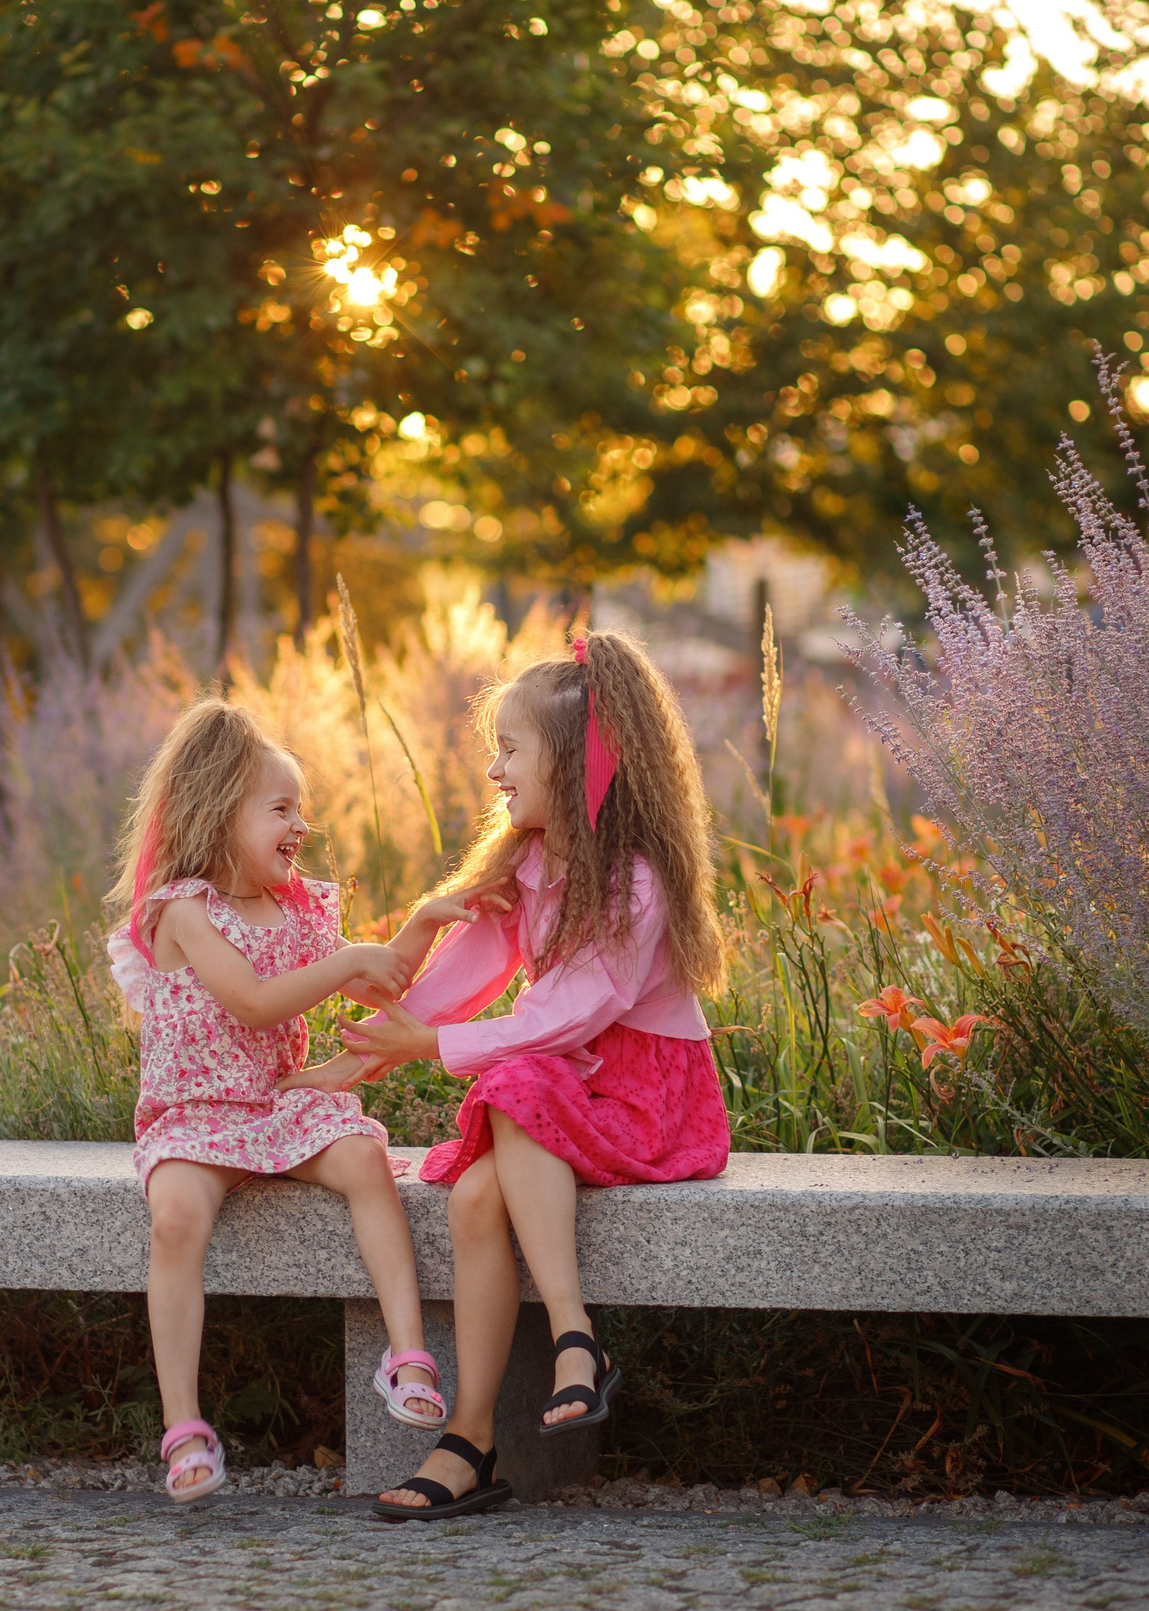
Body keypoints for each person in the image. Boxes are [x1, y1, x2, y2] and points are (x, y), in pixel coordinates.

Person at [345, 630, 731, 1522]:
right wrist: (357, 1052)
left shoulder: (636, 883)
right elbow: (455, 982)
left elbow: (565, 1018)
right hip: (561, 1091)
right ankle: (471, 1441)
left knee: (514, 1083)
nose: (493, 770)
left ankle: (573, 1332)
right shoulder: (527, 862)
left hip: (644, 1100)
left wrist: (429, 1049)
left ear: (579, 761)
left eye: (510, 748)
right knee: (476, 1196)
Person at [107, 699, 473, 1503]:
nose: (299, 824)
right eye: (280, 808)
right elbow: (254, 1002)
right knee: (174, 1217)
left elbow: (378, 976)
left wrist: (415, 927)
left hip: (277, 1103)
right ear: (215, 807)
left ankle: (407, 1355)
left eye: (299, 807)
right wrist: (348, 961)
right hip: (195, 1113)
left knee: (364, 1156)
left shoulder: (299, 905)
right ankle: (183, 1427)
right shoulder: (184, 910)